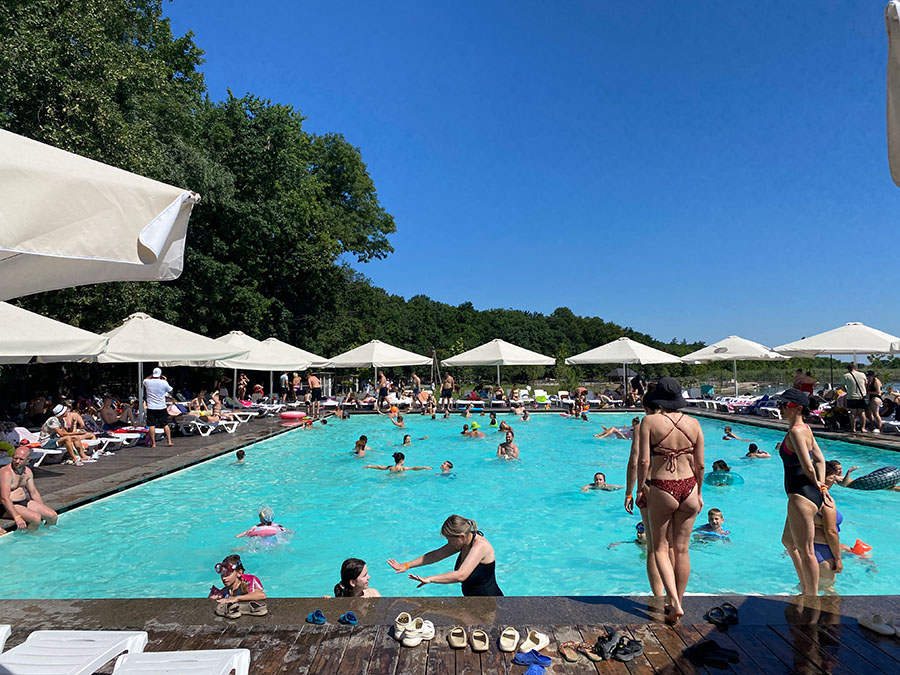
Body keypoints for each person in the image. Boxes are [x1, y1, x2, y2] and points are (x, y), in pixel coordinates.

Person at [635, 377, 704, 623]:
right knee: (683, 550)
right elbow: (701, 464)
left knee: (660, 548)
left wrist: (641, 489)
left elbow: (643, 461)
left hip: (663, 486)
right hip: (690, 487)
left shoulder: (650, 421)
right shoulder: (695, 423)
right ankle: (681, 600)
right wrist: (700, 492)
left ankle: (673, 601)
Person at [777, 388, 831, 596]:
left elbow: (809, 465)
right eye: (779, 404)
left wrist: (818, 483)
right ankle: (805, 586)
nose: (780, 408)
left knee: (806, 550)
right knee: (788, 542)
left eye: (784, 405)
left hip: (801, 494)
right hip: (806, 493)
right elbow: (820, 459)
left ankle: (812, 596)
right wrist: (821, 486)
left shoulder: (797, 431)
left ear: (798, 408)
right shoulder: (806, 429)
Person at [387, 514, 503, 596]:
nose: (449, 543)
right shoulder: (463, 541)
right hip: (472, 600)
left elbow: (460, 575)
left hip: (489, 602)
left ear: (461, 536)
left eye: (450, 539)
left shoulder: (480, 546)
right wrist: (406, 565)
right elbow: (435, 555)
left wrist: (430, 579)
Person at [625, 401, 665, 597]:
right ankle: (676, 598)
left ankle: (659, 597)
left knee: (654, 549)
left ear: (645, 407)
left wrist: (630, 492)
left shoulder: (642, 427)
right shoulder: (680, 424)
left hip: (651, 486)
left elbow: (635, 462)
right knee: (675, 548)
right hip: (678, 486)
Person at [1, 446, 58, 530]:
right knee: (36, 519)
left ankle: (46, 538)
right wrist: (17, 517)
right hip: (5, 506)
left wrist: (42, 508)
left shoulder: (27, 471)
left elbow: (33, 492)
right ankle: (29, 540)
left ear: (28, 460)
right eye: (15, 458)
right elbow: (4, 498)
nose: (17, 461)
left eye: (21, 459)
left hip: (23, 502)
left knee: (52, 516)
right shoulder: (6, 473)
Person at [815, 463, 843, 593]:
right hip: (824, 553)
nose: (834, 481)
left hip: (810, 551)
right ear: (822, 477)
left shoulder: (805, 497)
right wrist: (838, 559)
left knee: (808, 588)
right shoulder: (826, 502)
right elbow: (831, 532)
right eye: (832, 477)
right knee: (829, 592)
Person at [143, 367, 174, 448]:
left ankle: (153, 443)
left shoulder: (148, 382)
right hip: (161, 406)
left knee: (151, 425)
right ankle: (169, 441)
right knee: (165, 424)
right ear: (160, 375)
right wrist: (165, 380)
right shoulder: (163, 383)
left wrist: (151, 376)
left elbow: (144, 380)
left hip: (151, 407)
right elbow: (171, 390)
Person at [840, 364, 868, 433]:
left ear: (848, 369)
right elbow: (866, 384)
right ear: (856, 368)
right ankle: (863, 428)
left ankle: (853, 428)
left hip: (851, 396)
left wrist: (847, 391)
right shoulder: (862, 375)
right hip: (861, 396)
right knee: (862, 412)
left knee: (852, 413)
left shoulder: (846, 376)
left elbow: (842, 387)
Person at [364, 452, 431, 473]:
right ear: (401, 460)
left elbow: (379, 467)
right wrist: (424, 467)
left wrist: (369, 466)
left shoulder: (390, 468)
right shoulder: (402, 469)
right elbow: (414, 468)